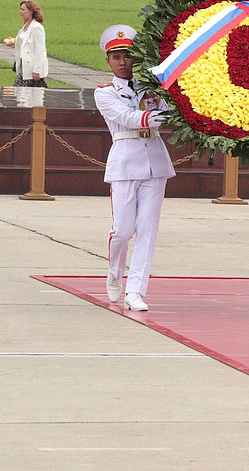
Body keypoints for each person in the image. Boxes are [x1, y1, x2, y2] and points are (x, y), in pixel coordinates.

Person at [94, 25, 175, 311]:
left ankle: (136, 290)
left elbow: (170, 111)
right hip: (126, 162)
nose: (123, 61)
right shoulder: (104, 93)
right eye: (116, 56)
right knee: (123, 230)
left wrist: (160, 113)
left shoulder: (150, 87)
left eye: (128, 55)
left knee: (147, 230)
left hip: (155, 162)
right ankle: (115, 272)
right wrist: (158, 116)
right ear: (108, 61)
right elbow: (127, 118)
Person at [4, 0, 48, 88]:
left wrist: (37, 70)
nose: (20, 12)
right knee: (22, 96)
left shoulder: (37, 27)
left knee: (32, 95)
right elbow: (25, 41)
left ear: (31, 11)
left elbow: (40, 50)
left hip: (32, 69)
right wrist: (13, 41)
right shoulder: (26, 25)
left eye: (23, 10)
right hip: (23, 67)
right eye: (20, 9)